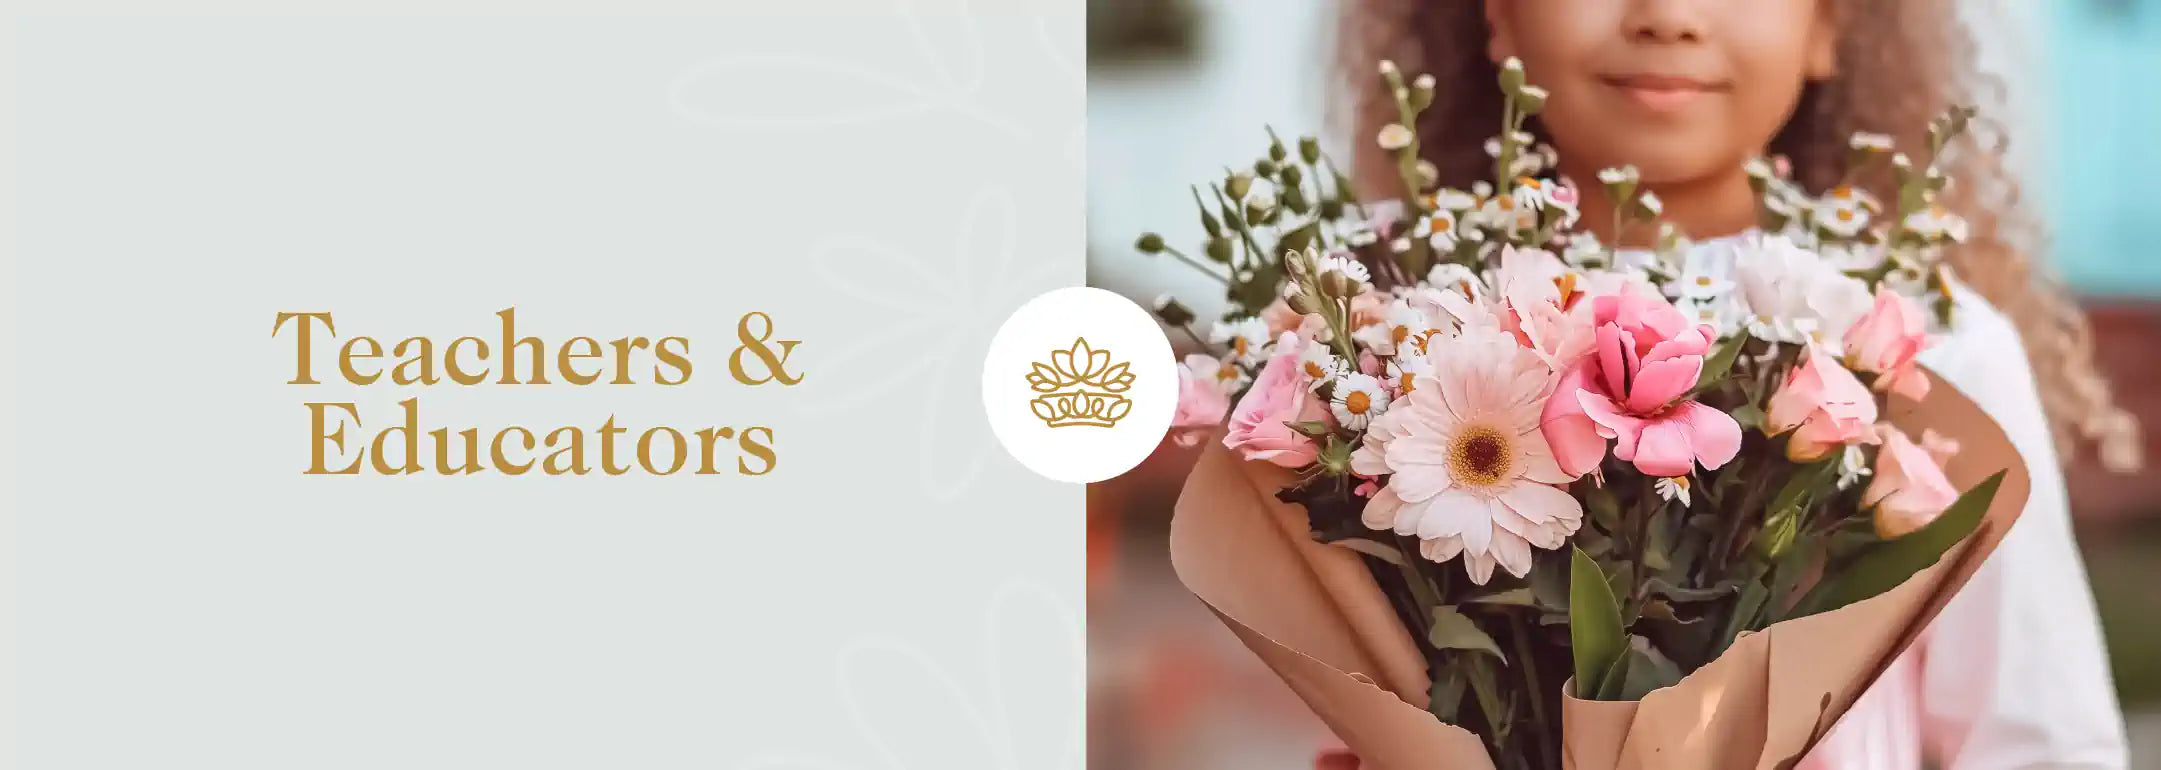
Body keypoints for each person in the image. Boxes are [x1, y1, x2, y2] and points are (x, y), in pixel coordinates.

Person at [1320, 0, 2143, 767]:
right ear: (1495, 18)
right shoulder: (1378, 321)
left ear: (1827, 23)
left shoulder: (1930, 342)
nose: (1667, 17)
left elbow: (2038, 739)